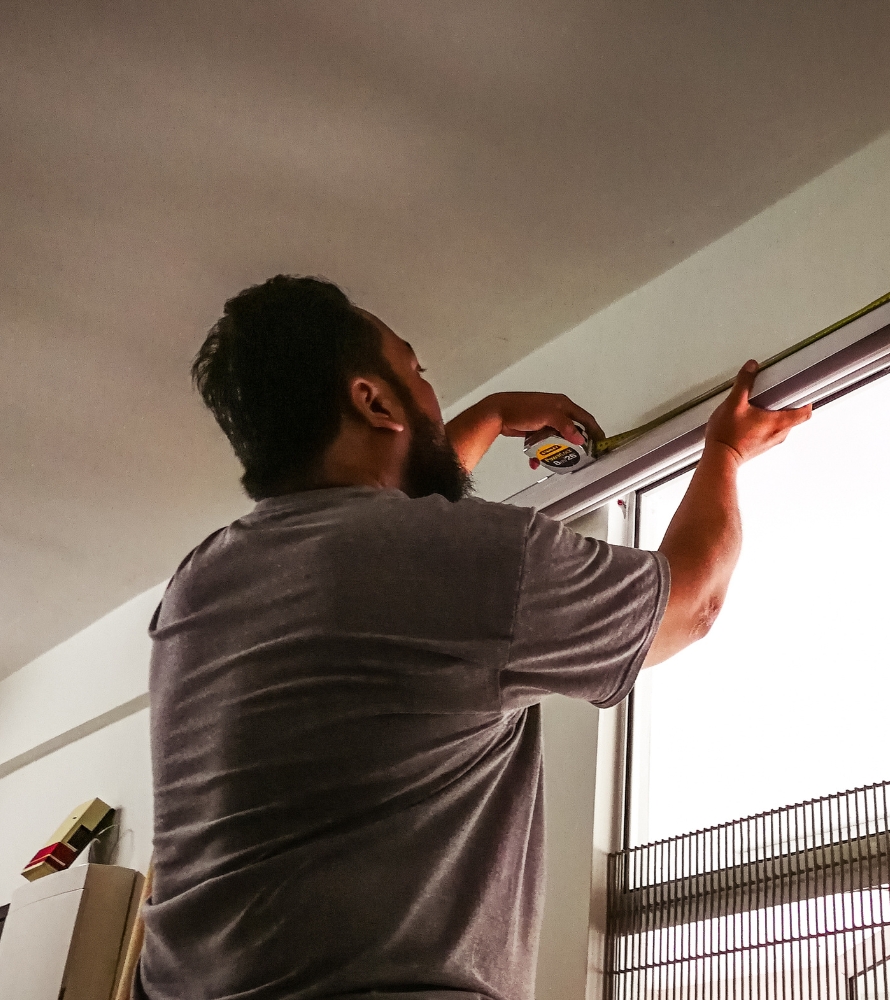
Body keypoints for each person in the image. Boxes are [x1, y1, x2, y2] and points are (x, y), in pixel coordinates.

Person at [138, 275, 809, 1000]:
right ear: (373, 401)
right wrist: (725, 452)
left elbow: (385, 543)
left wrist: (490, 416)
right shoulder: (464, 562)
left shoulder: (199, 585)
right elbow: (690, 604)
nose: (433, 396)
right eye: (417, 372)